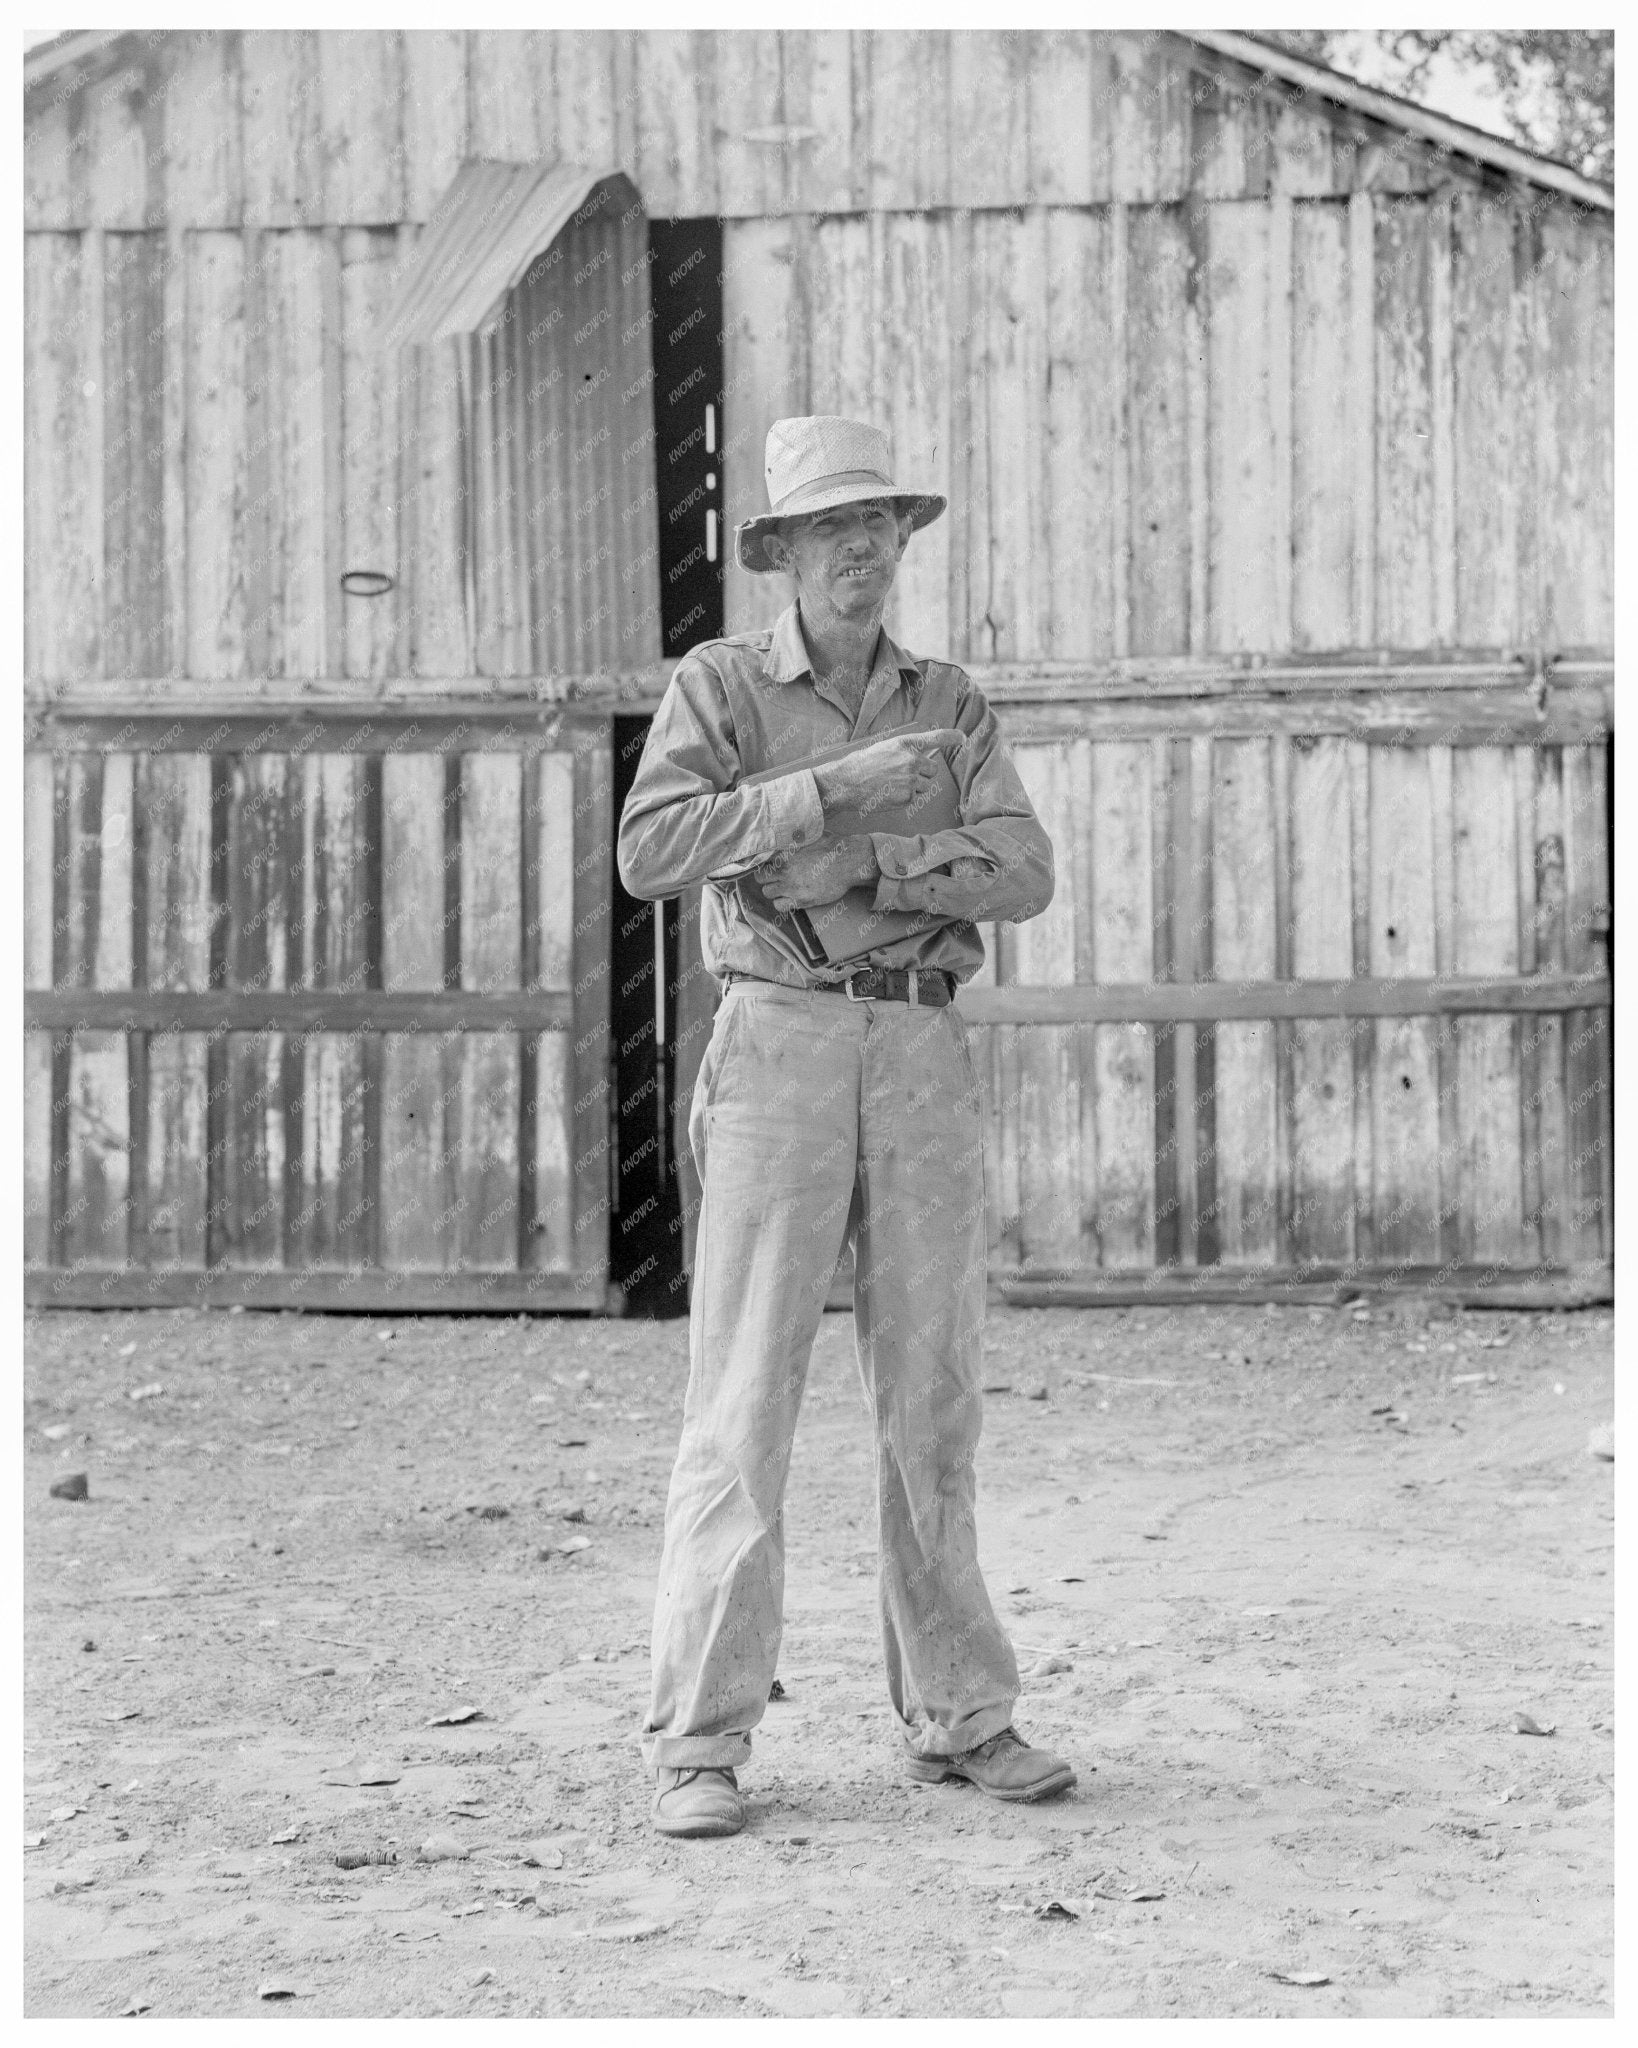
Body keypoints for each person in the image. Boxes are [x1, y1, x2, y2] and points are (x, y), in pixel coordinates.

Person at [618, 415, 1074, 1839]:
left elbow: (1022, 870)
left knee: (931, 1395)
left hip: (921, 1046)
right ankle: (699, 1742)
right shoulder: (723, 686)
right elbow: (650, 849)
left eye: (881, 525)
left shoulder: (948, 700)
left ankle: (960, 1717)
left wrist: (865, 860)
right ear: (784, 550)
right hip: (781, 1050)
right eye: (834, 529)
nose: (863, 550)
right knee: (744, 1396)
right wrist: (815, 793)